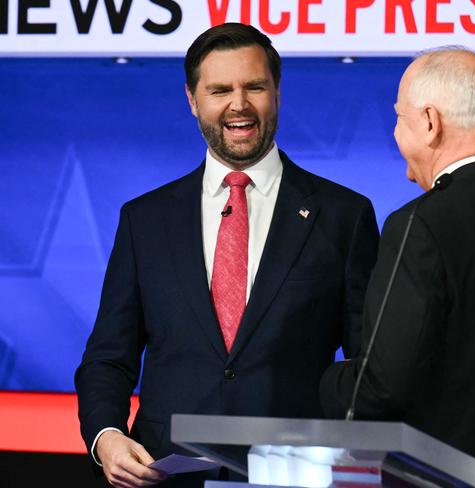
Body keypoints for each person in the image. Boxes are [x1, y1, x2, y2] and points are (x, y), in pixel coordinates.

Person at [75, 23, 379, 488]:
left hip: (294, 472)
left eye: (254, 86)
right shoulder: (144, 220)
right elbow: (108, 358)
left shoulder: (344, 216)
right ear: (193, 100)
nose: (239, 104)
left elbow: (368, 365)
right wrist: (107, 435)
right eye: (220, 90)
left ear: (276, 92)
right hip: (164, 473)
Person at [320, 48, 475, 488]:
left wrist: (314, 379)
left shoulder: (419, 225)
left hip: (434, 477)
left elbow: (380, 388)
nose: (397, 134)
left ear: (429, 121)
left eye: (399, 118)